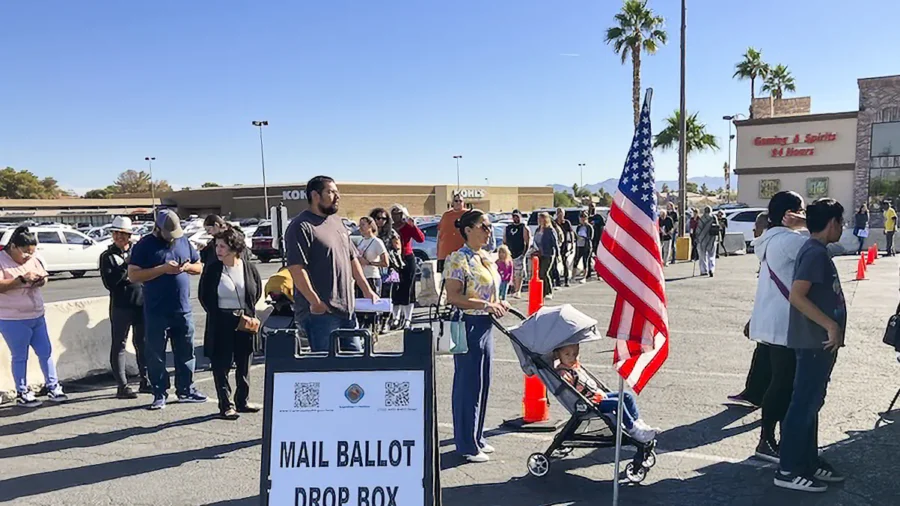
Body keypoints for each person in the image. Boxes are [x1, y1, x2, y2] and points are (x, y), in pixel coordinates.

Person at [773, 198, 847, 492]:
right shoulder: (815, 253)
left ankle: (808, 461)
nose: (842, 228)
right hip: (814, 342)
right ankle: (788, 469)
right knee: (803, 404)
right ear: (832, 224)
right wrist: (830, 325)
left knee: (810, 403)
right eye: (840, 222)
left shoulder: (816, 248)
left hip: (820, 344)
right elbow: (797, 295)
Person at [443, 209, 509, 463]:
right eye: (484, 226)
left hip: (485, 325)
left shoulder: (485, 258)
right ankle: (466, 444)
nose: (488, 230)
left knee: (483, 382)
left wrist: (497, 303)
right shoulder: (459, 258)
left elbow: (491, 290)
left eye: (490, 226)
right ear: (468, 229)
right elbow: (454, 296)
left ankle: (477, 436)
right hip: (467, 324)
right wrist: (485, 305)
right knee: (467, 384)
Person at [748, 191, 808, 463]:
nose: (805, 215)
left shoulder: (771, 239)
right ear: (789, 214)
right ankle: (767, 440)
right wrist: (805, 225)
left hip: (774, 320)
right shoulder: (788, 240)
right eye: (801, 210)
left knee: (780, 381)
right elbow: (825, 246)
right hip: (784, 322)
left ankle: (772, 438)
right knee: (783, 382)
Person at [128, 210, 206, 410]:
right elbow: (134, 275)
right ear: (158, 229)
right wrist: (162, 269)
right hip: (156, 310)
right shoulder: (144, 246)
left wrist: (187, 267)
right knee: (156, 353)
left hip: (182, 308)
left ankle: (186, 389)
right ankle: (159, 392)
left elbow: (199, 266)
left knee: (186, 351)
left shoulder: (183, 242)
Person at [198, 227, 263, 420]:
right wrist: (223, 315)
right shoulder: (213, 269)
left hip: (245, 320)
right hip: (221, 321)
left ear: (234, 248)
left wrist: (246, 313)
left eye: (222, 246)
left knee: (244, 362)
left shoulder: (248, 267)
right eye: (216, 246)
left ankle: (242, 400)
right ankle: (225, 404)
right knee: (221, 364)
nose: (218, 250)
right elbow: (204, 296)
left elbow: (256, 290)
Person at [0, 226, 67, 407]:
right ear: (13, 246)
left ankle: (53, 386)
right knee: (20, 356)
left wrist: (40, 280)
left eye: (32, 252)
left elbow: (44, 277)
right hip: (12, 317)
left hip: (36, 314)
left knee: (45, 352)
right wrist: (21, 279)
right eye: (25, 253)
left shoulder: (34, 259)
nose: (28, 256)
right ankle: (23, 391)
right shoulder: (2, 261)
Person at [554, 343, 657, 443]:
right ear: (559, 356)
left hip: (597, 395)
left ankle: (636, 422)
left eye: (575, 354)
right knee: (617, 403)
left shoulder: (575, 367)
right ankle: (632, 429)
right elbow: (570, 388)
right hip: (590, 402)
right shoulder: (564, 372)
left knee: (627, 395)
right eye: (567, 355)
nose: (572, 358)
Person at [99, 216, 150, 399]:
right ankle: (122, 385)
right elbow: (110, 283)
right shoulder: (107, 256)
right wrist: (126, 268)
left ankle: (146, 380)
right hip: (121, 306)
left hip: (141, 303)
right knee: (119, 344)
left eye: (124, 234)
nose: (120, 237)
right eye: (117, 233)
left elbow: (145, 274)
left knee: (143, 343)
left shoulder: (138, 252)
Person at [727, 211, 772, 408]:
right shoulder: (766, 252)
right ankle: (753, 392)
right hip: (768, 314)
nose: (754, 229)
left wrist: (755, 319)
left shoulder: (772, 252)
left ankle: (760, 396)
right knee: (762, 353)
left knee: (769, 357)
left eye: (758, 225)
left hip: (775, 317)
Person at [390, 204, 425, 329]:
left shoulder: (407, 227)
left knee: (408, 288)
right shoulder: (390, 228)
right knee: (394, 288)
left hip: (407, 258)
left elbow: (421, 239)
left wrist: (413, 225)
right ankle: (395, 318)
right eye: (393, 214)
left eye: (398, 213)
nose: (395, 216)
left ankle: (407, 319)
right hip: (393, 261)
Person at [355, 216, 389, 333]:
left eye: (363, 225)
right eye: (360, 225)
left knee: (371, 309)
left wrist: (369, 263)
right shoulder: (361, 241)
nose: (360, 228)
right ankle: (360, 333)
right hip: (361, 277)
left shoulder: (377, 242)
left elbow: (385, 263)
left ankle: (373, 332)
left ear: (370, 226)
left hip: (372, 277)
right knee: (360, 309)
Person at [503, 210, 531, 299]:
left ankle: (517, 290)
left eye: (517, 216)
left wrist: (524, 253)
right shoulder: (508, 228)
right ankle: (513, 289)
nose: (516, 218)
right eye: (514, 216)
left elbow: (527, 241)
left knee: (518, 273)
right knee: (511, 273)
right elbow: (504, 240)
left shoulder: (524, 227)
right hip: (509, 254)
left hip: (519, 253)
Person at [437, 193, 466, 274]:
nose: (458, 203)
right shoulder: (446, 215)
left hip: (460, 254)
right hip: (445, 254)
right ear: (452, 202)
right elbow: (439, 234)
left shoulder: (467, 215)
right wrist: (438, 251)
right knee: (445, 280)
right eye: (456, 201)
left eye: (460, 201)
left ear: (464, 203)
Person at [534, 212, 558, 300]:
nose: (540, 220)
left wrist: (558, 255)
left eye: (542, 218)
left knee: (544, 272)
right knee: (539, 274)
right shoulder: (537, 229)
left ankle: (549, 291)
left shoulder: (550, 230)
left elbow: (555, 243)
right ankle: (542, 292)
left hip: (548, 254)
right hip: (539, 253)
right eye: (539, 218)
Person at [695, 206, 719, 277]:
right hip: (712, 239)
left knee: (702, 256)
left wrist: (697, 238)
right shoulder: (714, 218)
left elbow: (698, 230)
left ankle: (703, 270)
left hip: (702, 240)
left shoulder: (701, 219)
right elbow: (717, 228)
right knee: (711, 255)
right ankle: (711, 269)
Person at [553, 208, 573, 287]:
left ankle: (566, 280)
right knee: (554, 263)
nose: (560, 214)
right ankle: (557, 280)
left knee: (565, 262)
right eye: (558, 213)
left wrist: (571, 243)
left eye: (561, 213)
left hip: (564, 244)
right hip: (556, 244)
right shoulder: (554, 223)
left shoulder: (566, 222)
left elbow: (571, 233)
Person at [573, 212, 594, 282]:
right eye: (581, 217)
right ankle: (573, 276)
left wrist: (584, 238)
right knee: (576, 260)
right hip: (579, 245)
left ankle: (584, 276)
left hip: (586, 245)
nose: (582, 219)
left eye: (584, 217)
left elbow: (591, 237)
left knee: (585, 261)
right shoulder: (579, 227)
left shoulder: (589, 227)